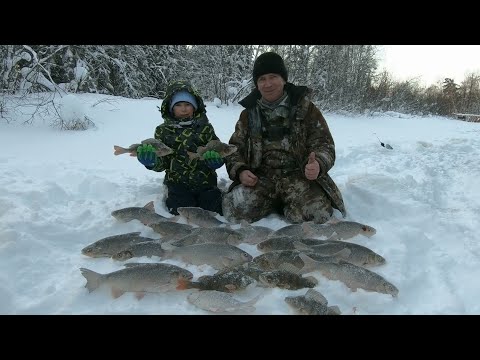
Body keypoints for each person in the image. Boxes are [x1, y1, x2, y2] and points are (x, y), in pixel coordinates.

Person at [222, 52, 346, 224]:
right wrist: (241, 171)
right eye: (262, 79)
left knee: (318, 216)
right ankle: (275, 202)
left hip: (298, 176)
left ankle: (288, 203)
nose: (268, 84)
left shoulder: (307, 109)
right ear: (257, 84)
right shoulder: (248, 115)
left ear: (284, 79)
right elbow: (233, 149)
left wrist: (318, 164)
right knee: (234, 211)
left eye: (273, 77)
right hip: (261, 178)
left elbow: (324, 144)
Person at [135, 80, 225, 216]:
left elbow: (217, 149)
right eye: (179, 105)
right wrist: (152, 163)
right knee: (181, 213)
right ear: (171, 108)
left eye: (188, 104)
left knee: (213, 212)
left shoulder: (206, 128)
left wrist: (216, 161)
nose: (184, 109)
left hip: (206, 183)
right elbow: (163, 162)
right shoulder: (162, 131)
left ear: (194, 106)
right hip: (177, 185)